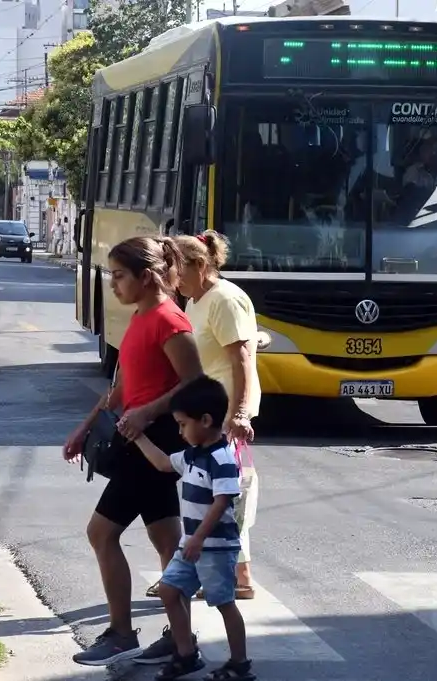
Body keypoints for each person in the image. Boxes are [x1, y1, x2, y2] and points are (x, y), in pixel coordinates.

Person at [63, 236, 203, 667]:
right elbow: (123, 387)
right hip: (136, 435)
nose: (112, 284)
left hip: (155, 442)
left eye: (119, 275)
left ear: (146, 277)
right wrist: (86, 427)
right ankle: (182, 640)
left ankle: (122, 634)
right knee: (167, 539)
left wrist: (147, 413)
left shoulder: (169, 320)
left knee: (101, 533)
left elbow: (195, 385)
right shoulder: (141, 316)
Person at [134, 375, 255, 681]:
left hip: (214, 548)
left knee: (224, 603)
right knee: (168, 590)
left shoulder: (221, 459)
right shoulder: (192, 455)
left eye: (182, 424)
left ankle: (239, 663)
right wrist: (138, 437)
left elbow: (222, 501)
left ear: (205, 420)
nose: (180, 431)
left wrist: (199, 538)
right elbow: (163, 463)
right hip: (190, 545)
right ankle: (186, 654)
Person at [173, 231, 260, 603]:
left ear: (200, 265)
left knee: (225, 496)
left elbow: (242, 360)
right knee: (214, 494)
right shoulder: (196, 300)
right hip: (208, 412)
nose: (173, 278)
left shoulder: (224, 299)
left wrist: (239, 414)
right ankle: (238, 576)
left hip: (225, 416)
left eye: (177, 269)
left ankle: (231, 576)